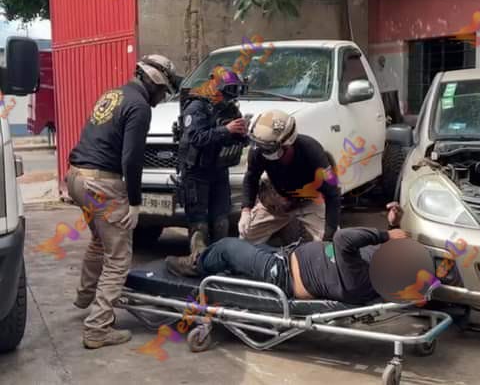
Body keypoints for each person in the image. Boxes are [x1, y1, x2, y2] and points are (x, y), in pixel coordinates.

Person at [67, 54, 181, 349]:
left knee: (99, 240)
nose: (162, 98)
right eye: (163, 90)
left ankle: (85, 295)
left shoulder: (113, 94)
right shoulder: (139, 106)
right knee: (118, 258)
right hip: (102, 185)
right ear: (154, 82)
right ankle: (98, 327)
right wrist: (134, 202)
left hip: (77, 178)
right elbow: (131, 159)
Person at [166, 203, 407, 304]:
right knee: (236, 251)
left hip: (281, 274)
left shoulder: (361, 281)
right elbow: (380, 248)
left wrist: (385, 235)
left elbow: (343, 238)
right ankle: (206, 256)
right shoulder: (375, 271)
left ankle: (195, 263)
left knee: (228, 247)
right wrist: (393, 224)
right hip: (285, 256)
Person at [239, 109, 340, 245]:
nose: (262, 150)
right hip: (276, 201)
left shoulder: (312, 150)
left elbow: (333, 193)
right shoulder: (258, 151)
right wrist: (246, 209)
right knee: (245, 237)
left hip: (309, 201)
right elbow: (251, 178)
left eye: (267, 147)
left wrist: (329, 234)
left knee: (334, 244)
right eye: (259, 145)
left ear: (286, 143)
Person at [176, 66, 248, 254]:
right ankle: (198, 261)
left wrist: (241, 134)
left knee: (221, 221)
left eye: (236, 90)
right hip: (196, 172)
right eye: (229, 90)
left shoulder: (229, 108)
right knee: (199, 224)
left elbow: (236, 138)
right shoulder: (197, 106)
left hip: (219, 169)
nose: (232, 96)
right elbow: (196, 138)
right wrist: (226, 130)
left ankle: (219, 260)